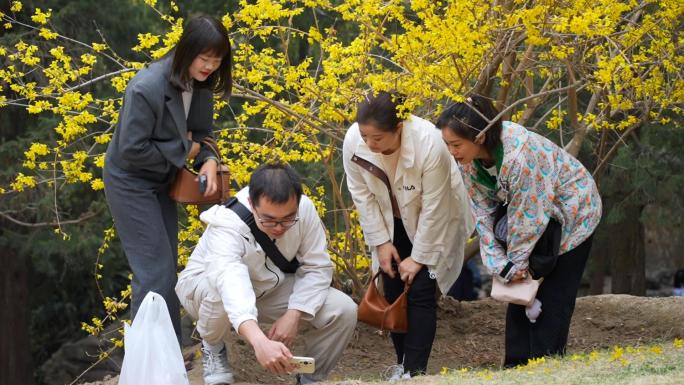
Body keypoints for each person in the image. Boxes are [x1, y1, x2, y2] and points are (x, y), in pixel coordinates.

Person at [436, 94, 602, 367]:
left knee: (553, 295)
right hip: (527, 219)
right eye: (447, 145)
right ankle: (515, 366)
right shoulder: (468, 162)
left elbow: (530, 217)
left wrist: (516, 262)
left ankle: (545, 365)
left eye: (456, 144)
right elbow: (481, 211)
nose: (452, 151)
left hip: (573, 215)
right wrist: (500, 264)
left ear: (480, 136)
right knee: (517, 290)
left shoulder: (520, 155)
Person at [103, 15, 232, 343]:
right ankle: (152, 357)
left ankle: (168, 353)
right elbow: (132, 149)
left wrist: (209, 160)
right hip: (130, 181)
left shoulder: (202, 84)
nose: (209, 67)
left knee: (165, 269)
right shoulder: (146, 87)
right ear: (186, 51)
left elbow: (203, 134)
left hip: (163, 179)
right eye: (204, 59)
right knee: (154, 271)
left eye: (217, 62)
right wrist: (186, 151)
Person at [175, 163, 357, 385]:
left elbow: (317, 267)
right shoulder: (227, 224)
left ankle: (310, 379)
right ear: (252, 203)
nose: (279, 227)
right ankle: (213, 346)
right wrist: (260, 342)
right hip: (204, 291)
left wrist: (294, 314)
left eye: (288, 218)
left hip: (268, 287)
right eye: (269, 220)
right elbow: (230, 282)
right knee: (219, 291)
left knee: (343, 310)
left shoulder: (305, 210)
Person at [342, 91, 474, 380]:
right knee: (393, 290)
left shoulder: (430, 143)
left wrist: (419, 257)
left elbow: (436, 207)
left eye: (377, 138)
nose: (369, 143)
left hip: (433, 219)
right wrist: (381, 242)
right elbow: (361, 195)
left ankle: (416, 373)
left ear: (399, 128)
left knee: (421, 293)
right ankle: (402, 365)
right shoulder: (354, 140)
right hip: (390, 220)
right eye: (365, 136)